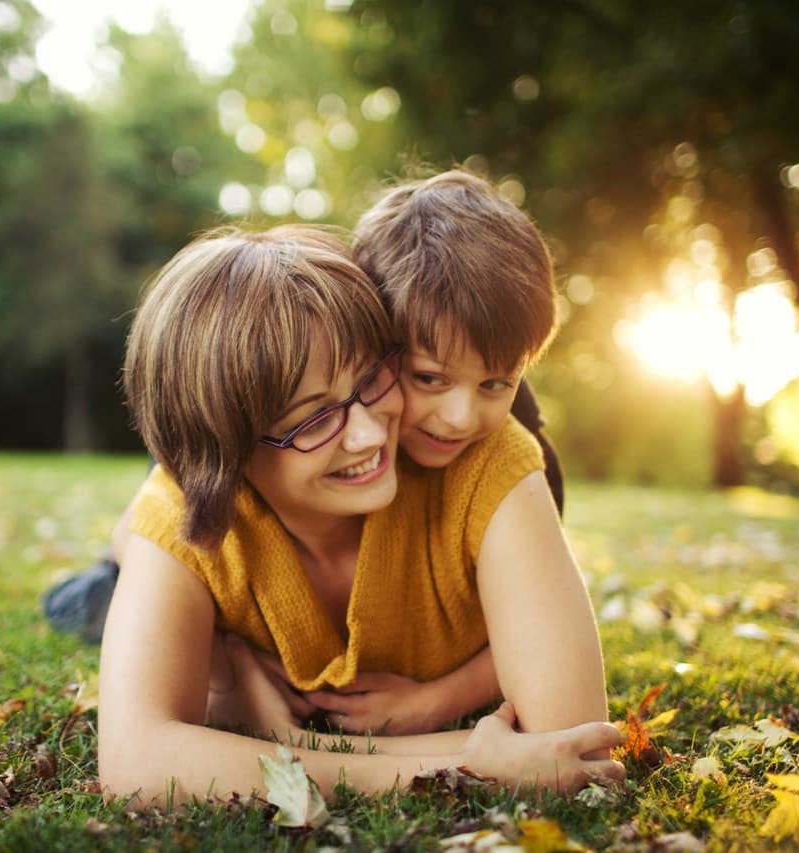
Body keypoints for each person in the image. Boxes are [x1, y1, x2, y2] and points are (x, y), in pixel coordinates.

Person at [97, 224, 621, 806]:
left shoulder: (486, 464)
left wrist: (280, 742)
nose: (372, 434)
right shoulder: (185, 507)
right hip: (169, 548)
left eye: (371, 379)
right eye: (315, 419)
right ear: (232, 455)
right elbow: (136, 761)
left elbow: (570, 741)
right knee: (99, 593)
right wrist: (468, 762)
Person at [286, 169, 565, 735]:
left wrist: (437, 700)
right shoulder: (305, 387)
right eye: (429, 378)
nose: (463, 418)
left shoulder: (518, 463)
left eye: (495, 385)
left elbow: (535, 629)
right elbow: (153, 525)